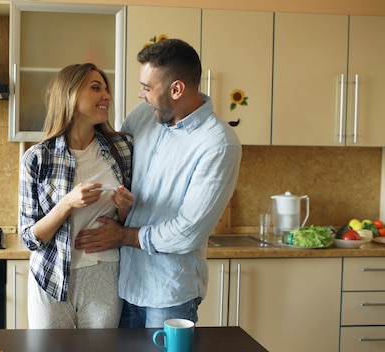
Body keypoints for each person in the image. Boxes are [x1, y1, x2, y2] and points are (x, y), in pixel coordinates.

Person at [74, 38, 242, 328]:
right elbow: (110, 168)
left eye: (148, 87)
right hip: (124, 284)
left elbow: (188, 231)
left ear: (177, 89)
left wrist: (122, 236)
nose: (141, 95)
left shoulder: (218, 144)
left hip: (169, 293)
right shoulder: (142, 117)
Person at [18, 63, 134, 329]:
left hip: (104, 274)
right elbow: (29, 238)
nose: (107, 96)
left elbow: (130, 222)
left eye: (106, 89)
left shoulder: (123, 149)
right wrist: (67, 202)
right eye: (96, 88)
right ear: (69, 95)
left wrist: (126, 208)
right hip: (50, 275)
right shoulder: (37, 158)